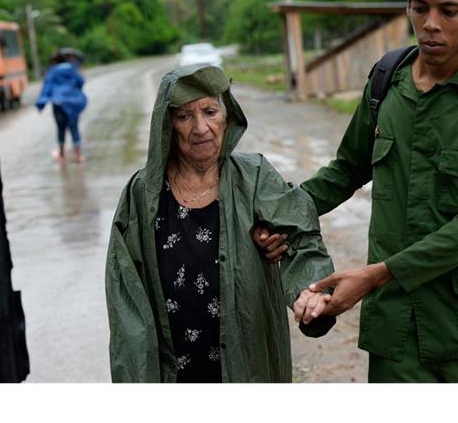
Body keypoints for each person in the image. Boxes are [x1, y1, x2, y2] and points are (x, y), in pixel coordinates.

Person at [255, 0, 458, 382]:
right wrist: (276, 217)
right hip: (398, 328)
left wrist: (377, 276)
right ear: (409, 7)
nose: (431, 24)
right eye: (420, 8)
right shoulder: (387, 80)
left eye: (449, 11)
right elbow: (346, 170)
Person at [105, 64, 336, 382]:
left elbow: (300, 236)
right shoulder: (142, 194)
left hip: (245, 360)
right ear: (167, 125)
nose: (201, 128)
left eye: (210, 112)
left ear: (227, 118)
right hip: (171, 367)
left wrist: (309, 292)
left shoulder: (254, 176)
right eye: (184, 116)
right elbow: (125, 295)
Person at [36, 47, 88, 163]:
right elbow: (81, 83)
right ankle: (79, 155)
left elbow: (46, 88)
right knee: (74, 127)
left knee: (60, 129)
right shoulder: (73, 69)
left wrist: (41, 104)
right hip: (73, 103)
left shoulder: (52, 72)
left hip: (58, 104)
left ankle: (62, 154)